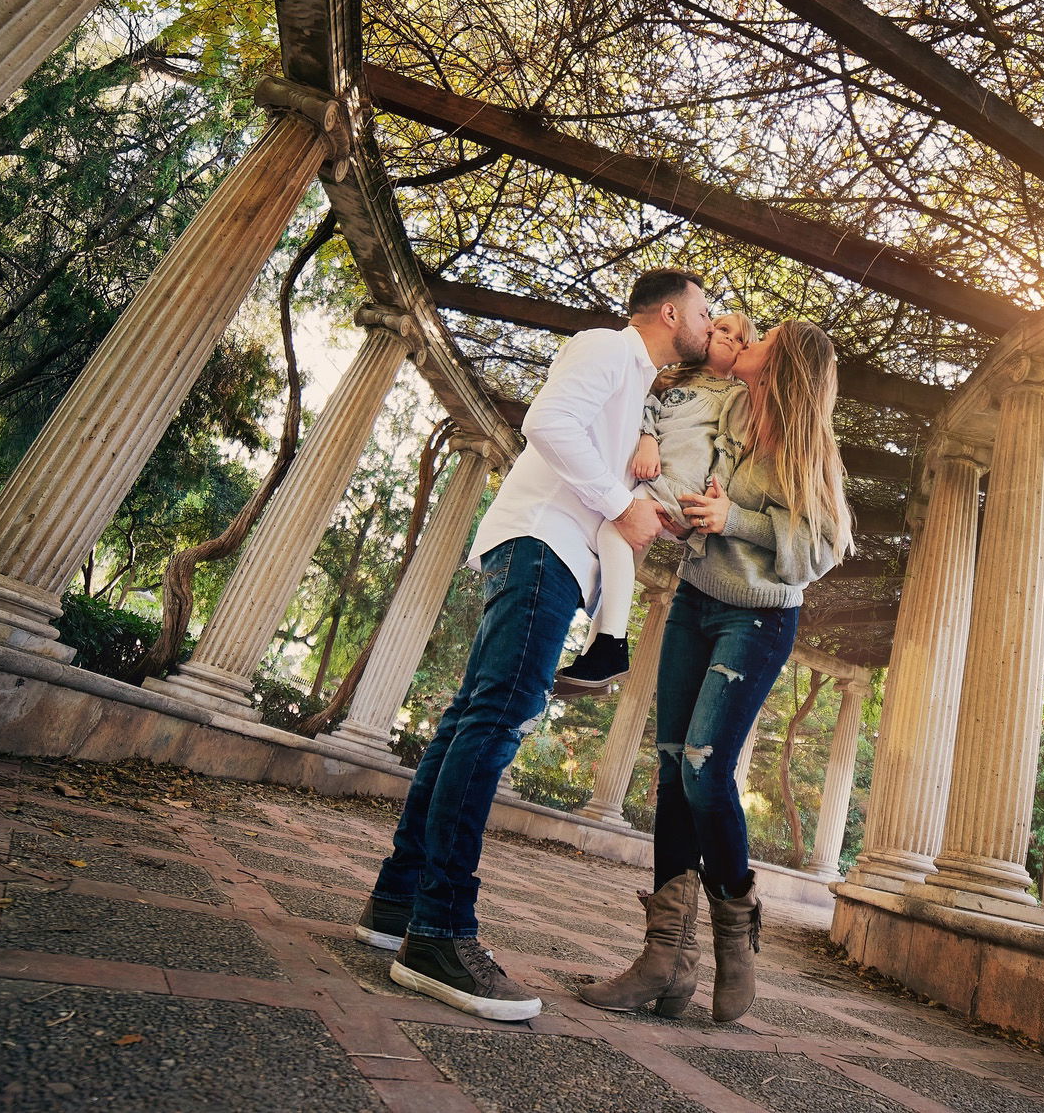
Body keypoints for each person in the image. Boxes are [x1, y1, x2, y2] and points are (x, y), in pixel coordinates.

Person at [355, 268, 713, 1021]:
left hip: (542, 549)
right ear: (671, 311)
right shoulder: (608, 348)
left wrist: (639, 508)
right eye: (706, 312)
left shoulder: (630, 381)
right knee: (493, 726)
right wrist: (620, 505)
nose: (710, 327)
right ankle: (441, 933)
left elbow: (591, 460)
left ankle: (396, 906)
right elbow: (546, 424)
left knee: (467, 723)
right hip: (539, 549)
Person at [576, 320, 852, 1024]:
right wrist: (648, 446)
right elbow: (655, 395)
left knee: (704, 768)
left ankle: (737, 925)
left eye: (767, 335)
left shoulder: (811, 448)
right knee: (670, 767)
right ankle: (665, 958)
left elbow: (823, 546)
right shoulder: (726, 403)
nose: (747, 334)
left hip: (757, 618)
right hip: (697, 597)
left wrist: (736, 518)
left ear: (785, 362)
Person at [553, 311, 759, 695]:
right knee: (623, 555)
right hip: (651, 475)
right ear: (709, 333)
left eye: (742, 340)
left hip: (685, 485)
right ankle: (596, 660)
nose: (731, 339)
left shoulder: (739, 395)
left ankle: (611, 644)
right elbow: (648, 408)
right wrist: (648, 439)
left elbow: (732, 448)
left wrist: (711, 504)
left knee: (614, 530)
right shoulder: (671, 378)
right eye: (725, 329)